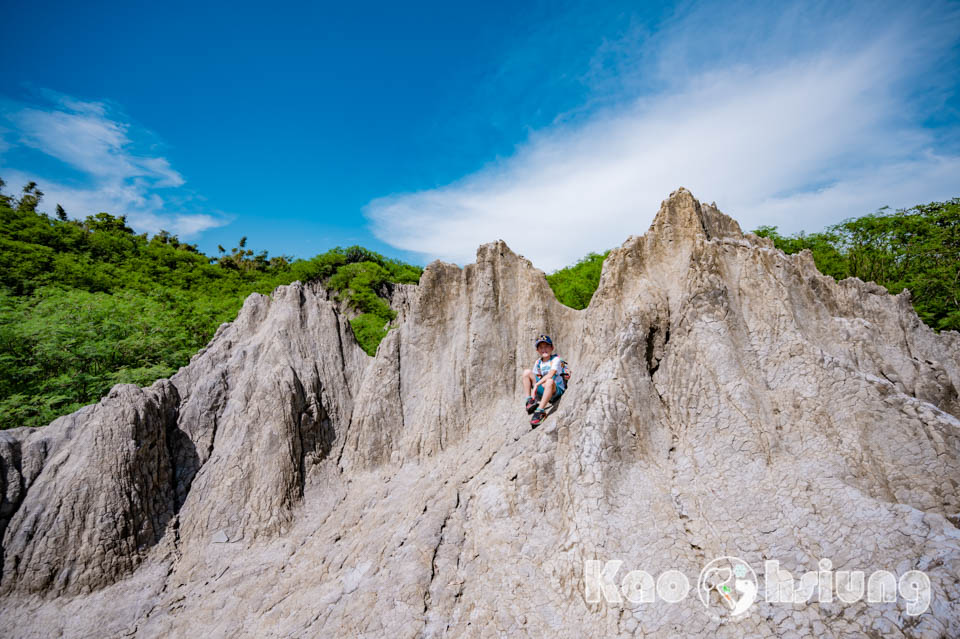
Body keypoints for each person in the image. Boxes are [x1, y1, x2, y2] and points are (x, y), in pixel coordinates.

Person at [522, 334, 565, 427]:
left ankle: (540, 411)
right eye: (541, 347)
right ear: (537, 350)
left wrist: (537, 385)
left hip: (555, 390)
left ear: (552, 347)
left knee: (549, 381)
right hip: (545, 389)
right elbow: (534, 376)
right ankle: (529, 401)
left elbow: (551, 374)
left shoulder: (556, 359)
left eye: (546, 346)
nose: (544, 349)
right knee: (526, 372)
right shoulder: (538, 362)